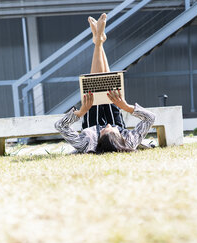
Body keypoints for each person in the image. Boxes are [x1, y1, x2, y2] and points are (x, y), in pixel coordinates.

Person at [54, 13, 155, 154]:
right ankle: (98, 42)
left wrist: (81, 111)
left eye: (104, 129)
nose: (107, 124)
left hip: (91, 123)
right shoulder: (129, 142)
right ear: (119, 138)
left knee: (95, 84)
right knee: (109, 86)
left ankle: (99, 42)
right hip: (116, 121)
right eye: (111, 128)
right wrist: (126, 107)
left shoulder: (86, 144)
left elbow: (60, 126)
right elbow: (150, 118)